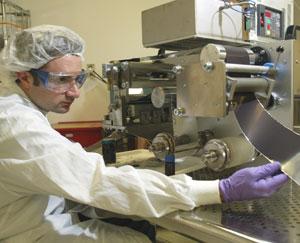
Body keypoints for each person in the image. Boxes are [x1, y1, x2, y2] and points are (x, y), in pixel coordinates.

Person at [0, 25, 289, 243]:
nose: (75, 92)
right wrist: (221, 190)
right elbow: (97, 182)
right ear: (24, 76)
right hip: (29, 233)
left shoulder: (18, 110)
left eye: (79, 78)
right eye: (62, 80)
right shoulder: (16, 125)